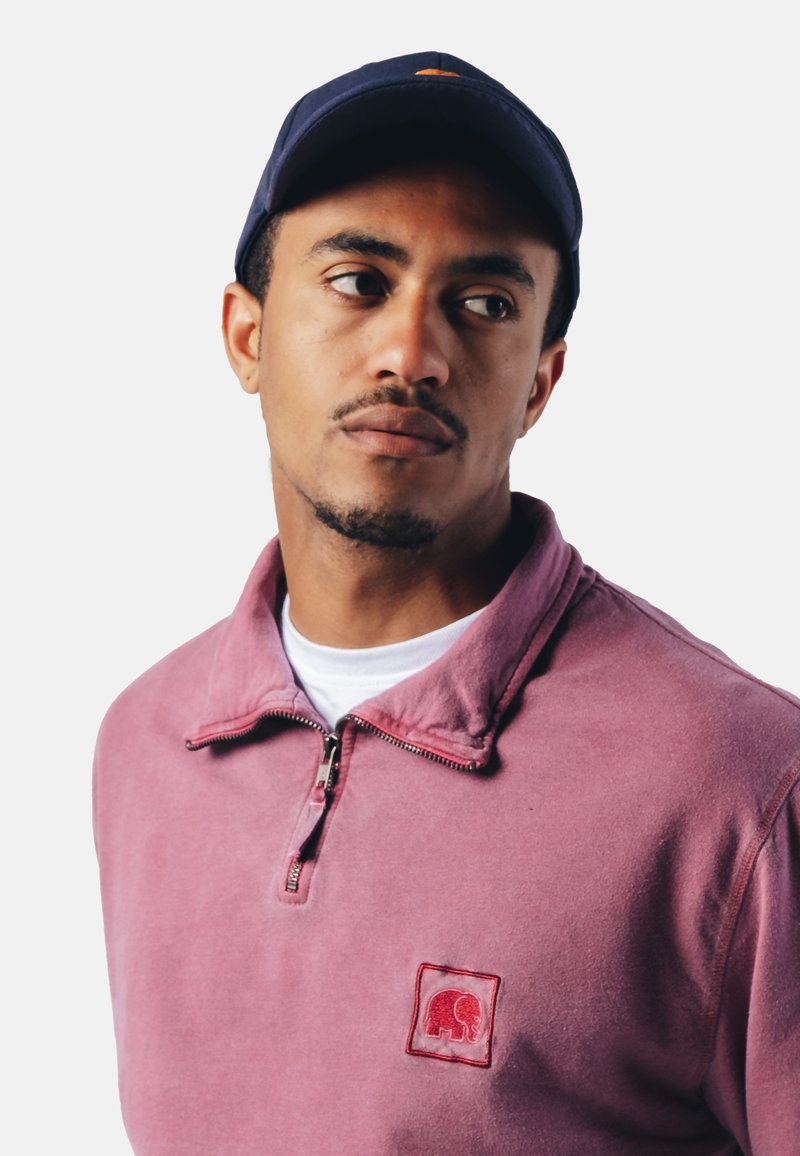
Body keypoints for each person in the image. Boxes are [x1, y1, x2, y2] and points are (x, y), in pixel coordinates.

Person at [93, 51, 800, 1155]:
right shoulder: (146, 743)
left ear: (539, 380)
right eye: (356, 281)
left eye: (483, 303)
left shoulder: (737, 781)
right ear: (246, 334)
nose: (411, 353)